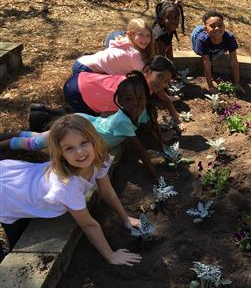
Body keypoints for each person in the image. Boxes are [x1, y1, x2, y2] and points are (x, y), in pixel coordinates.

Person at [0, 114, 142, 265]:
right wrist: (111, 256)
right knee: (16, 239)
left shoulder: (99, 160)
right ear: (60, 153)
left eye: (84, 143)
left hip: (20, 182)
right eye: (69, 148)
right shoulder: (67, 186)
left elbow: (107, 191)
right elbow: (88, 224)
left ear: (94, 140)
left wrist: (125, 218)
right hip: (8, 196)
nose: (80, 152)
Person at [5, 72, 168, 181]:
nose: (136, 104)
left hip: (88, 123)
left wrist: (164, 149)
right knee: (35, 145)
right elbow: (141, 151)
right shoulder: (123, 121)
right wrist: (156, 176)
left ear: (146, 98)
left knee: (41, 138)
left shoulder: (142, 111)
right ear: (121, 101)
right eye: (129, 99)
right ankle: (6, 143)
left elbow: (151, 129)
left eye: (140, 98)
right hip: (79, 130)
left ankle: (16, 134)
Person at [63, 56, 184, 130]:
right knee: (88, 126)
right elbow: (133, 125)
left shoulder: (144, 81)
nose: (162, 83)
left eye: (166, 81)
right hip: (78, 92)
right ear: (147, 70)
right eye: (160, 77)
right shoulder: (137, 90)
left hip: (84, 80)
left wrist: (176, 119)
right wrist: (159, 135)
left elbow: (165, 99)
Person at [73, 18, 155, 76]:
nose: (145, 39)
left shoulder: (123, 40)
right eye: (141, 35)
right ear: (130, 35)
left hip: (82, 61)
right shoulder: (133, 54)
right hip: (85, 70)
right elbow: (146, 76)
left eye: (148, 35)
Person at [191, 10, 242, 93]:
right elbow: (206, 63)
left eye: (220, 25)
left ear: (224, 27)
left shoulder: (229, 37)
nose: (217, 28)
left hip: (210, 36)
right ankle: (201, 28)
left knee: (216, 53)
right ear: (206, 29)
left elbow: (234, 61)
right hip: (197, 35)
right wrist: (210, 86)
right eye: (212, 26)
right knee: (206, 55)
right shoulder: (202, 41)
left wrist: (237, 83)